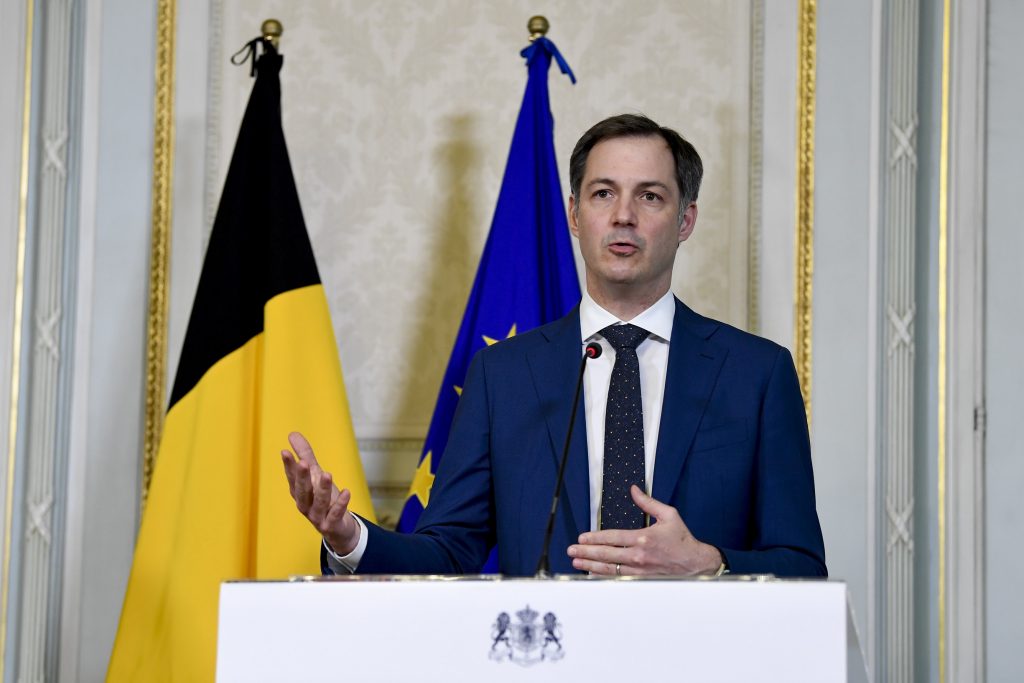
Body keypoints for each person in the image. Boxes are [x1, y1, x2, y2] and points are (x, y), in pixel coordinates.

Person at [281, 113, 826, 578]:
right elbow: (448, 551)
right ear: (574, 215)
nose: (623, 216)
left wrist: (708, 563)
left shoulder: (756, 375)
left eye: (650, 196)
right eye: (603, 193)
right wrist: (349, 536)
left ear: (685, 220)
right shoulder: (503, 375)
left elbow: (803, 566)